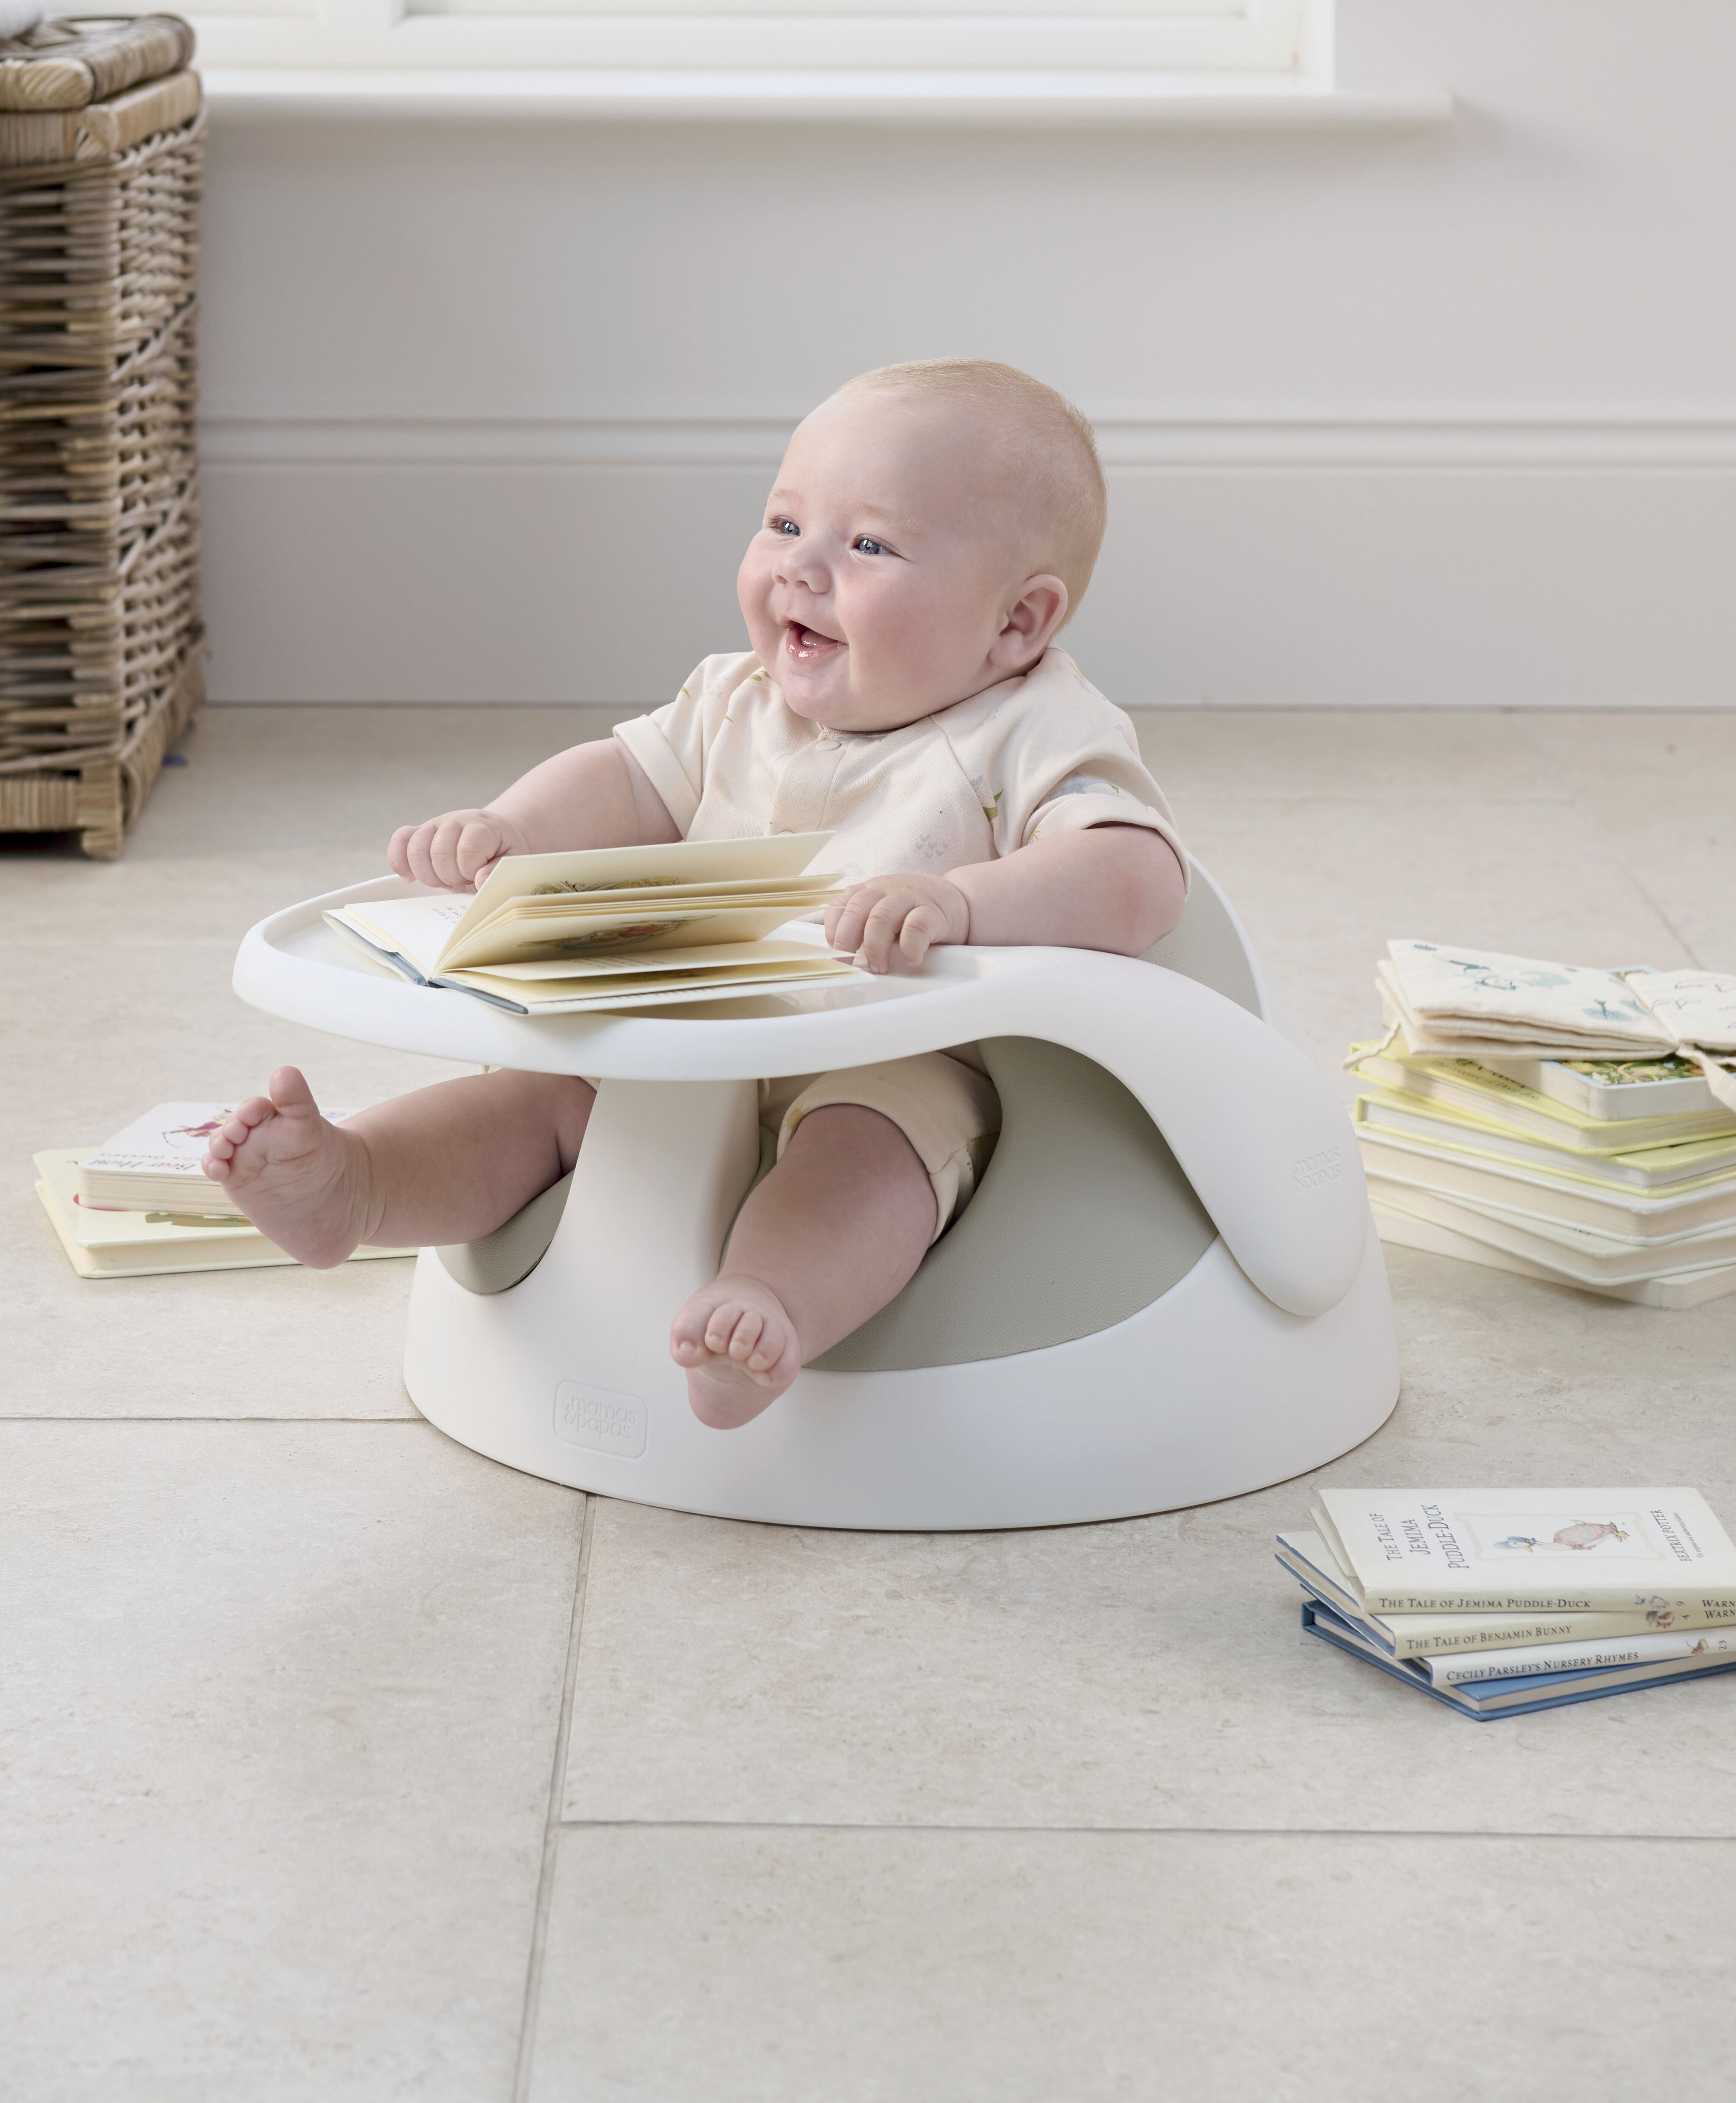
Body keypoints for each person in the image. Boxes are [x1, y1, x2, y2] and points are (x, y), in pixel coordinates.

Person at [204, 357, 1187, 1428]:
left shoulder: (1033, 726)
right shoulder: (736, 696)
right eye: (781, 524)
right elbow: (623, 776)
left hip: (892, 1054)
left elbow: (1133, 876)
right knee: (535, 1094)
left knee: (871, 1153)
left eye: (866, 545)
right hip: (682, 1030)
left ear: (1014, 623)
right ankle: (355, 1184)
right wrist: (513, 830)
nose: (799, 571)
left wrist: (964, 904)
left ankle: (767, 1310)